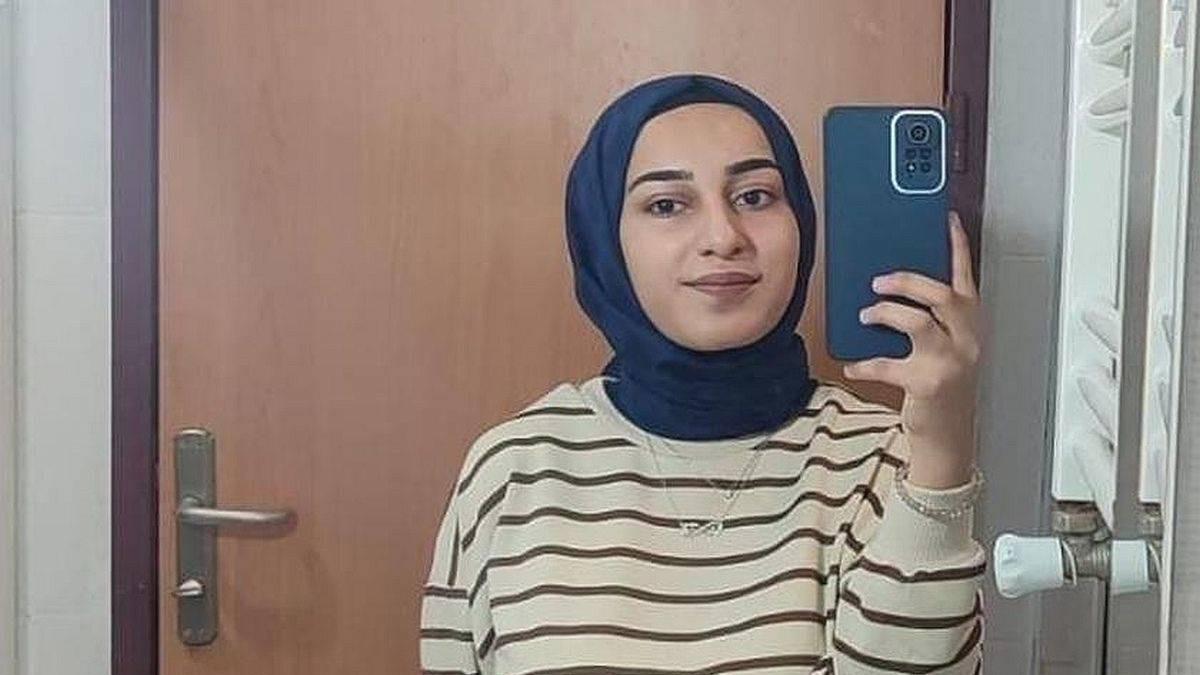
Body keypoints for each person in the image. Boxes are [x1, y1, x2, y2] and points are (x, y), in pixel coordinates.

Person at [419, 73, 986, 674]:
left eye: (755, 197)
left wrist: (941, 449)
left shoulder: (886, 459)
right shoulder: (514, 469)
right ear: (605, 239)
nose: (723, 237)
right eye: (667, 205)